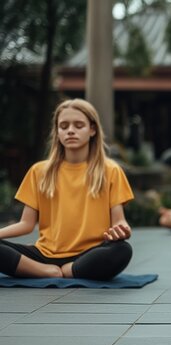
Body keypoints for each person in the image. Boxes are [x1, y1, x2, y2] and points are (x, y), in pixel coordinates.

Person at [0, 99, 134, 280]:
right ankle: (48, 271)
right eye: (63, 126)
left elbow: (119, 221)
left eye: (79, 125)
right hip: (44, 255)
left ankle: (69, 270)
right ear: (57, 132)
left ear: (92, 130)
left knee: (123, 250)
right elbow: (26, 224)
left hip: (90, 254)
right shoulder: (39, 171)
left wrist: (122, 230)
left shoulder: (111, 171)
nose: (70, 130)